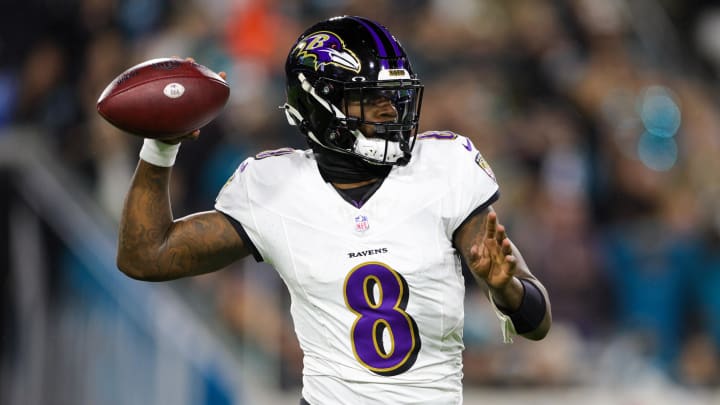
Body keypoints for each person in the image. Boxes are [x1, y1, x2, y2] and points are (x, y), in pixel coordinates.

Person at [116, 15, 552, 404]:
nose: (391, 109)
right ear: (320, 107)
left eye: (394, 95)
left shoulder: (444, 167)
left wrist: (506, 290)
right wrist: (160, 147)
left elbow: (537, 321)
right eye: (371, 98)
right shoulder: (274, 187)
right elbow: (146, 255)